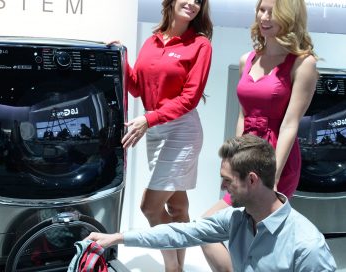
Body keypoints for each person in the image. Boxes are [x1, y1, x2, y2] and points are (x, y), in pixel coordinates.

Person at [85, 134, 337, 271]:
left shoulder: (306, 246)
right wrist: (117, 238)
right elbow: (179, 232)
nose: (222, 187)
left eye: (227, 180)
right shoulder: (236, 219)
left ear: (252, 180)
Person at [201, 0, 319, 270]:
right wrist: (231, 163)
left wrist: (272, 176)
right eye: (261, 10)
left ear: (290, 15)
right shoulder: (248, 59)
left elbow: (290, 124)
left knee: (258, 238)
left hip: (276, 158)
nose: (264, 17)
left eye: (272, 12)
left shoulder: (303, 64)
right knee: (217, 231)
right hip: (245, 156)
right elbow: (243, 116)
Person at [119, 0, 213, 271]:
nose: (193, 4)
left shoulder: (200, 44)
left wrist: (148, 119)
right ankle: (179, 267)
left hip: (181, 129)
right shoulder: (152, 41)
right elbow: (137, 87)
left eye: (199, 1)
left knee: (149, 207)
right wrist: (120, 57)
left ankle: (172, 267)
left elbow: (190, 98)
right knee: (178, 207)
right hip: (156, 128)